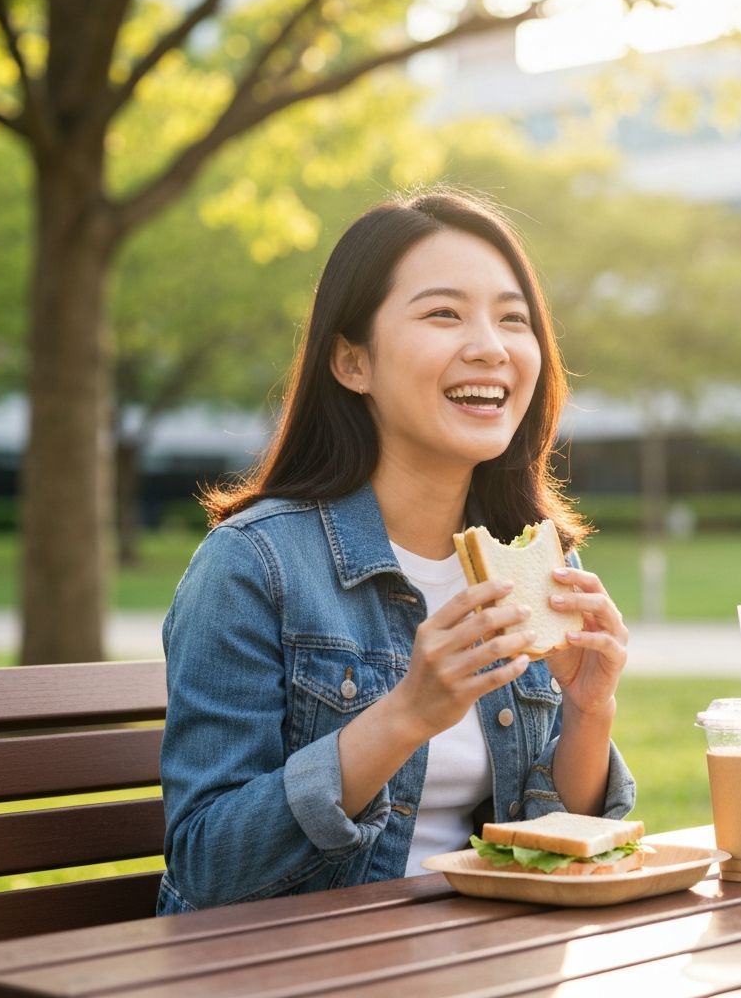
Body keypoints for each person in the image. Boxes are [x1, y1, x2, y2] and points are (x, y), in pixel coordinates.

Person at [157, 189, 635, 914]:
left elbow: (551, 848)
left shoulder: (539, 566)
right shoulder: (254, 566)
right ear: (353, 362)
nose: (491, 346)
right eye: (444, 314)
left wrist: (590, 709)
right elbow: (208, 862)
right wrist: (406, 714)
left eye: (514, 319)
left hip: (482, 962)